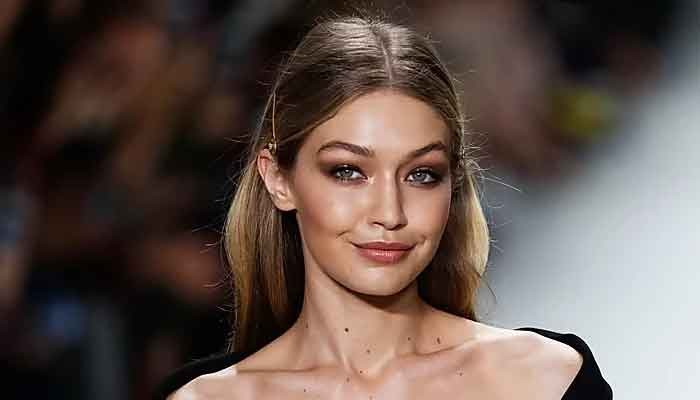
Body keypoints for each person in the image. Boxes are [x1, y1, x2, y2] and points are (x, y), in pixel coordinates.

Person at [155, 15, 612, 400]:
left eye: (421, 175)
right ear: (278, 179)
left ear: (454, 184)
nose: (390, 213)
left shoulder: (546, 379)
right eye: (348, 171)